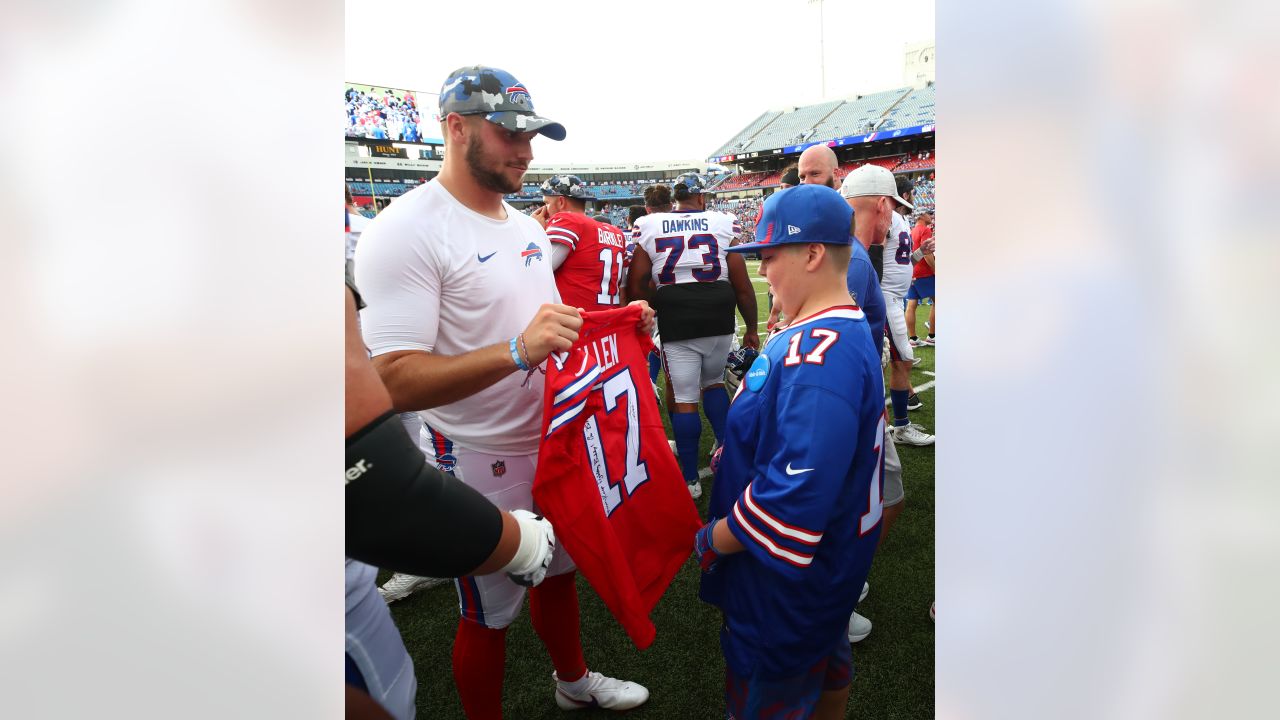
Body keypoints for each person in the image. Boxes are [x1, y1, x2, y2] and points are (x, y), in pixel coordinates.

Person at [354, 65, 651, 718]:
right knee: (488, 612)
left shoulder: (523, 226)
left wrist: (620, 322)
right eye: (510, 133)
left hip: (551, 438)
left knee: (559, 571)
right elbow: (389, 379)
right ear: (456, 129)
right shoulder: (404, 231)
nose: (527, 149)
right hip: (477, 453)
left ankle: (572, 683)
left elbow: (544, 327)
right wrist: (516, 352)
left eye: (532, 134)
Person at [696, 185, 884, 719]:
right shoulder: (828, 331)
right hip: (827, 574)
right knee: (827, 666)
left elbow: (791, 498)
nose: (765, 271)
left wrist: (713, 539)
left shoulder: (818, 353)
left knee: (767, 694)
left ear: (812, 253)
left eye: (771, 256)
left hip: (785, 586)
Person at [626, 173, 759, 500]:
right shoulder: (722, 222)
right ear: (701, 198)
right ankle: (727, 455)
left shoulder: (651, 224)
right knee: (713, 384)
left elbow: (637, 284)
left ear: (677, 198)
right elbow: (742, 284)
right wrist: (753, 328)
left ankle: (690, 479)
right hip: (719, 315)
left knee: (685, 398)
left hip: (679, 319)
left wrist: (662, 300)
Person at [841, 166, 934, 448]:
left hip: (896, 295)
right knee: (898, 360)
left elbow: (902, 259)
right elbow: (873, 254)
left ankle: (893, 420)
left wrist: (921, 252)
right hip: (886, 297)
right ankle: (898, 425)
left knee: (897, 360)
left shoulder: (900, 220)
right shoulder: (885, 217)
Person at [528, 174, 628, 311]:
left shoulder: (568, 220)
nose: (544, 209)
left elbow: (535, 270)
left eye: (546, 203)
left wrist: (533, 230)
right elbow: (623, 287)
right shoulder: (616, 232)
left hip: (575, 322)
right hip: (607, 319)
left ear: (561, 202)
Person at [907, 212, 936, 346]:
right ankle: (932, 335)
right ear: (922, 216)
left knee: (911, 305)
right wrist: (936, 269)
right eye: (929, 214)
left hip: (912, 271)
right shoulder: (925, 230)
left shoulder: (912, 230)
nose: (931, 216)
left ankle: (913, 339)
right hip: (925, 272)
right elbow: (927, 254)